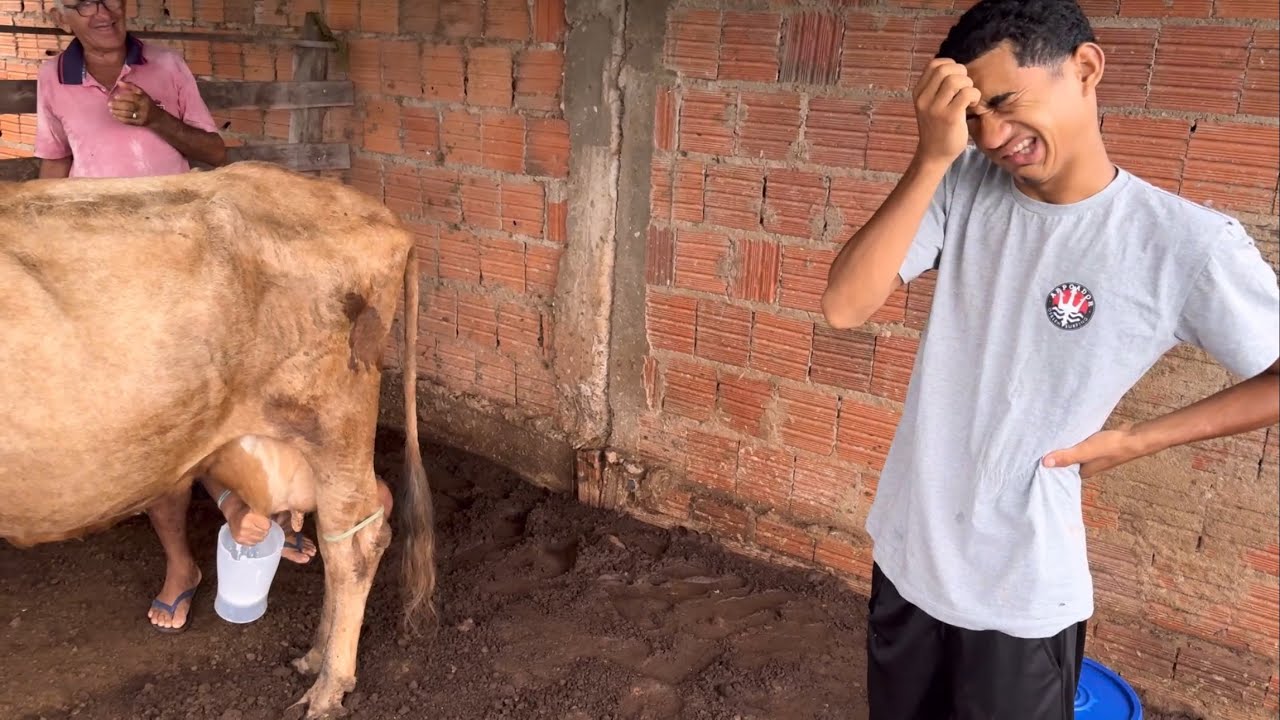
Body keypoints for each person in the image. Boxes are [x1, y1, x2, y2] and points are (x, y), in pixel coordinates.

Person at [820, 0, 1280, 717]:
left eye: (1005, 102)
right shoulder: (961, 185)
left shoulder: (1184, 244)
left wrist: (1134, 441)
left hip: (1021, 589)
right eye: (974, 118)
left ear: (1086, 68)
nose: (994, 135)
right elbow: (845, 305)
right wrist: (934, 153)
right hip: (909, 557)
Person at [34, 0, 226, 179]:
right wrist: (41, 213)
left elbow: (215, 153)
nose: (104, 14)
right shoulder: (53, 76)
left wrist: (158, 119)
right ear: (61, 19)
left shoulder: (168, 64)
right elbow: (56, 161)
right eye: (86, 4)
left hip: (168, 210)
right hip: (94, 211)